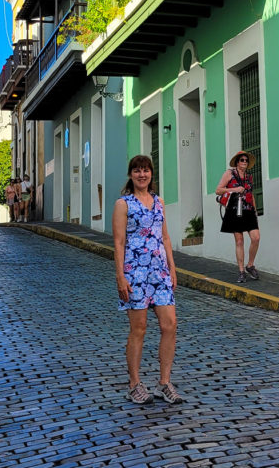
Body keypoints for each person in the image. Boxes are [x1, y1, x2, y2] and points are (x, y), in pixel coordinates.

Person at [113, 154, 182, 405]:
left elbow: (165, 238)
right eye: (137, 170)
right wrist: (121, 276)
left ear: (151, 174)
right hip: (135, 273)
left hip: (160, 272)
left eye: (146, 170)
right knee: (139, 329)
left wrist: (172, 269)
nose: (142, 175)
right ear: (131, 175)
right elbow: (119, 242)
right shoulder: (124, 204)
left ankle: (164, 382)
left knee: (170, 325)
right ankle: (134, 384)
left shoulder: (159, 202)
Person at [214, 150, 261, 283]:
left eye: (246, 160)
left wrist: (255, 212)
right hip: (234, 210)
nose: (244, 162)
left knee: (256, 238)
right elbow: (218, 190)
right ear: (237, 162)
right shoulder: (230, 173)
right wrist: (234, 190)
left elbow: (251, 195)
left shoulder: (249, 177)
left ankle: (250, 265)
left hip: (248, 210)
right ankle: (241, 271)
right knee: (239, 241)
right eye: (242, 160)